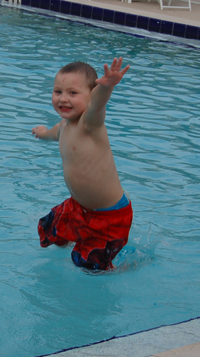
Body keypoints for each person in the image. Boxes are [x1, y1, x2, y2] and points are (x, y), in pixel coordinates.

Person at [31, 57, 132, 271]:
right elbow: (53, 134)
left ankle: (119, 269)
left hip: (108, 215)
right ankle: (79, 236)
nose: (63, 99)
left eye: (73, 93)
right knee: (50, 229)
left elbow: (98, 105)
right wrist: (42, 133)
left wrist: (107, 87)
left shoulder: (90, 123)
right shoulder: (64, 125)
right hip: (79, 207)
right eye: (58, 92)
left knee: (89, 267)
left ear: (90, 95)